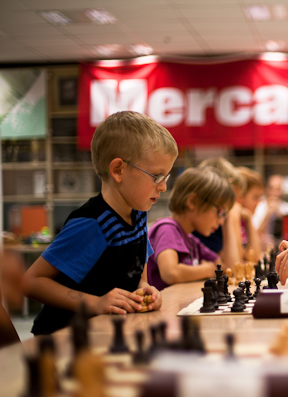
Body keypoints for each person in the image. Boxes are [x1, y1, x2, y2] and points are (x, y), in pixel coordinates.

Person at [23, 111, 176, 335]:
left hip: (107, 334)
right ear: (118, 170)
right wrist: (96, 303)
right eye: (157, 176)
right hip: (63, 338)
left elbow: (138, 274)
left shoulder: (139, 214)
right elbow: (31, 282)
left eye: (166, 177)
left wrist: (144, 289)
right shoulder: (91, 224)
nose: (163, 186)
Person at [147, 168, 235, 290]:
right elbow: (170, 273)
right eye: (220, 212)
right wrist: (206, 270)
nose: (221, 221)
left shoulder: (191, 240)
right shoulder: (167, 229)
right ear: (192, 202)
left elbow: (226, 268)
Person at [192, 158, 246, 268]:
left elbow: (235, 264)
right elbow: (233, 267)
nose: (235, 206)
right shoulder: (203, 228)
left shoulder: (217, 224)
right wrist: (231, 217)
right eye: (231, 200)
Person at [252, 174, 288, 246]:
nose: (275, 193)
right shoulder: (258, 206)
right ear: (267, 190)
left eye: (278, 189)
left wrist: (280, 215)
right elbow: (255, 233)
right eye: (272, 189)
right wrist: (268, 214)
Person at [235, 167, 264, 258]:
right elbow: (252, 257)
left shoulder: (244, 219)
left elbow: (255, 257)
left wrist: (249, 219)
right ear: (240, 197)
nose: (259, 202)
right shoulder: (233, 220)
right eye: (255, 197)